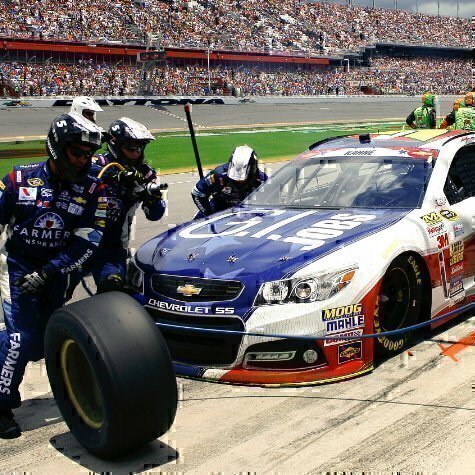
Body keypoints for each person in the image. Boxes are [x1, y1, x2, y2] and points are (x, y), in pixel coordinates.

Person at [0, 113, 106, 438]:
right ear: (57, 147)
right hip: (16, 266)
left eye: (89, 154)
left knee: (44, 342)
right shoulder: (18, 180)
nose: (85, 160)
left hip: (56, 271)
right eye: (78, 152)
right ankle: (1, 405)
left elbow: (89, 238)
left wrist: (50, 271)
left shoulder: (93, 188)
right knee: (21, 338)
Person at [83, 117, 166, 293]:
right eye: (131, 148)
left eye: (140, 148)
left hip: (111, 246)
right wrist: (116, 176)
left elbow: (155, 215)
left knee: (113, 289)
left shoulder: (145, 174)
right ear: (115, 145)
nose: (136, 153)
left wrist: (152, 198)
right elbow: (80, 172)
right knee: (54, 293)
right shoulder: (96, 163)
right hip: (77, 240)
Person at [191, 145, 268, 219]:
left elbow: (272, 202)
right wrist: (209, 214)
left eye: (242, 178)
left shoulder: (262, 181)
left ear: (253, 169)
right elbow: (197, 192)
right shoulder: (219, 175)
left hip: (248, 211)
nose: (238, 180)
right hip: (218, 206)